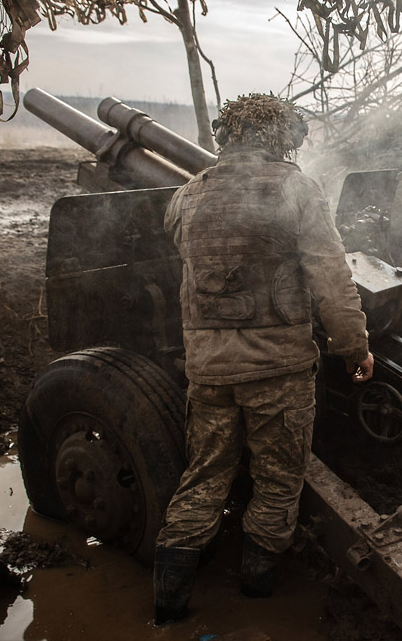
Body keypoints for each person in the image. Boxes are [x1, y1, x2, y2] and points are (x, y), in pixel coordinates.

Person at [154, 93, 373, 625]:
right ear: (281, 137)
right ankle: (255, 599)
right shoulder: (297, 189)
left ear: (226, 136)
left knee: (203, 477)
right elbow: (331, 279)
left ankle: (167, 607)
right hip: (279, 370)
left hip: (208, 369)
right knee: (278, 482)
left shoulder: (186, 196)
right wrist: (355, 348)